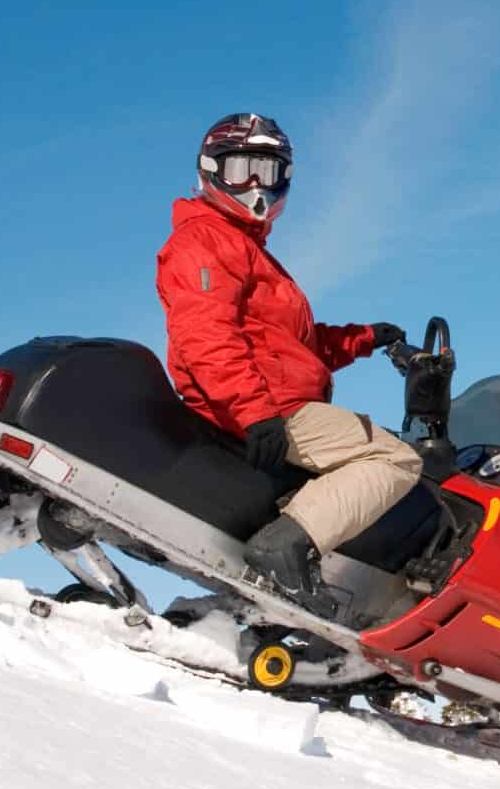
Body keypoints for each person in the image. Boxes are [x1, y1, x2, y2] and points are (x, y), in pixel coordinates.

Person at [155, 112, 420, 606]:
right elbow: (205, 336)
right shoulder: (203, 241)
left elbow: (286, 346)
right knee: (395, 457)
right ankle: (287, 547)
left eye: (268, 171)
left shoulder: (242, 247)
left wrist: (363, 338)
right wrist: (256, 414)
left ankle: (313, 554)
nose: (255, 185)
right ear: (211, 171)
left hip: (272, 398)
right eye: (241, 170)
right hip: (266, 407)